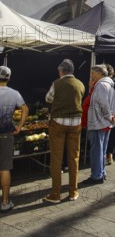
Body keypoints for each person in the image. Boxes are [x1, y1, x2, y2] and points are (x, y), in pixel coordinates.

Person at [44, 59, 85, 203]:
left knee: (56, 158)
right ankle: (73, 192)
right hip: (76, 123)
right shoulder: (80, 84)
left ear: (61, 71)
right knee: (74, 157)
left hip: (58, 122)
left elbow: (48, 99)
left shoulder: (57, 83)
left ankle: (55, 194)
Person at [81, 65, 115, 185]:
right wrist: (111, 116)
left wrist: (108, 116)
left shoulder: (101, 85)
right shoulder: (109, 84)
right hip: (105, 122)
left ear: (100, 73)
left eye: (93, 73)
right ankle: (101, 173)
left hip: (99, 122)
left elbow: (104, 103)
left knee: (97, 150)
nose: (91, 75)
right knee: (101, 149)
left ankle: (97, 176)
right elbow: (112, 103)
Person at [0, 66, 28, 212]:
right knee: (4, 168)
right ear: (9, 78)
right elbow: (25, 109)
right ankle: (5, 202)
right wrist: (19, 127)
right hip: (6, 134)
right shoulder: (14, 93)